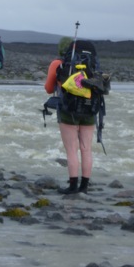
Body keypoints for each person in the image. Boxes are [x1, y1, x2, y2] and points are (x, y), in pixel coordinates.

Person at [44, 39, 98, 194]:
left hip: (68, 110)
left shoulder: (57, 64)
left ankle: (73, 186)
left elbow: (48, 89)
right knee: (86, 149)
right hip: (89, 109)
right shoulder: (92, 63)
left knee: (72, 150)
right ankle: (84, 187)